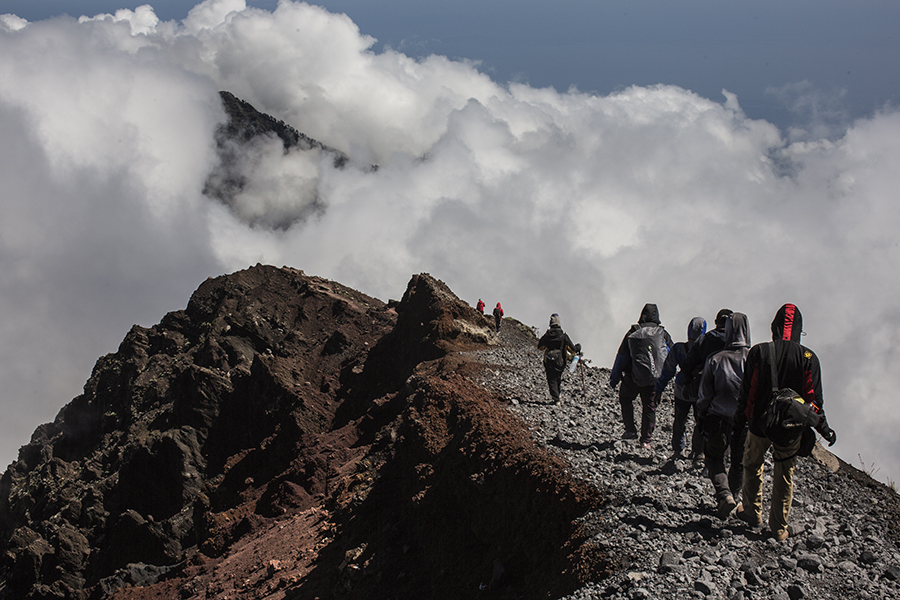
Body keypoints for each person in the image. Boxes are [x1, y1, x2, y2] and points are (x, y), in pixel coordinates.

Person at [734, 303, 837, 542]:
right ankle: (779, 528)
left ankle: (751, 511)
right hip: (791, 428)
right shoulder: (809, 357)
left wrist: (742, 420)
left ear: (774, 327)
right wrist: (822, 427)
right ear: (799, 330)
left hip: (760, 423)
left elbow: (748, 393)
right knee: (784, 474)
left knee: (752, 464)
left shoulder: (759, 352)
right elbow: (814, 401)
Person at [696, 312, 750, 520]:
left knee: (715, 457)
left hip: (717, 417)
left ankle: (724, 494)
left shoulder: (715, 359)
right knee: (738, 461)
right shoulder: (754, 359)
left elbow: (704, 395)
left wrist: (702, 416)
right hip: (743, 420)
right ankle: (734, 496)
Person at [609, 303, 673, 448]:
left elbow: (621, 357)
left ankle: (630, 430)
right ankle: (646, 441)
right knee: (649, 406)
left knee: (625, 399)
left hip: (632, 378)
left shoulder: (633, 331)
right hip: (654, 379)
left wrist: (614, 379)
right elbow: (671, 354)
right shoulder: (662, 333)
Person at [680, 308, 734, 464]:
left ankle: (698, 454)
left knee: (702, 419)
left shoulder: (704, 339)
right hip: (728, 390)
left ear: (716, 322)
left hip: (704, 387)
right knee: (727, 423)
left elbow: (688, 363)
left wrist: (687, 381)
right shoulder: (736, 342)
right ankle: (722, 458)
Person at [653, 317, 707, 457]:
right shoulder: (707, 350)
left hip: (681, 389)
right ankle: (698, 451)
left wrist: (659, 389)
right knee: (701, 421)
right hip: (701, 391)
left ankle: (678, 449)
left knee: (680, 421)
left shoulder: (679, 348)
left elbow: (667, 371)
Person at [538, 314, 581, 405]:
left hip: (548, 361)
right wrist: (578, 347)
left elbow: (540, 347)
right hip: (561, 361)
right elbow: (572, 350)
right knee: (558, 377)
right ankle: (558, 394)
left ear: (550, 324)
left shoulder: (547, 336)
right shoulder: (564, 336)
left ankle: (556, 398)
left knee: (551, 379)